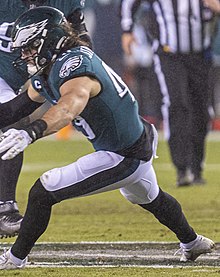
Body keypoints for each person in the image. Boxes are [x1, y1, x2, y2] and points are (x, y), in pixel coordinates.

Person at [0, 7, 215, 269]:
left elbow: (68, 107)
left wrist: (31, 132)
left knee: (43, 191)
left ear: (48, 40)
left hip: (124, 154)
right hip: (134, 139)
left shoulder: (73, 67)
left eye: (30, 46)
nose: (24, 55)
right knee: (150, 197)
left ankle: (14, 259)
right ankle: (192, 243)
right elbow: (14, 109)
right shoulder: (54, 67)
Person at [0, 0, 91, 239]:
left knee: (12, 120)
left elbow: (80, 39)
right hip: (4, 74)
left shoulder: (66, 3)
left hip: (27, 75)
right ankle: (4, 208)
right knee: (13, 123)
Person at [120, 0, 218, 187]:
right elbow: (129, 3)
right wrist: (127, 30)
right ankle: (182, 169)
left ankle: (196, 167)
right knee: (177, 103)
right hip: (169, 54)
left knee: (201, 110)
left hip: (201, 56)